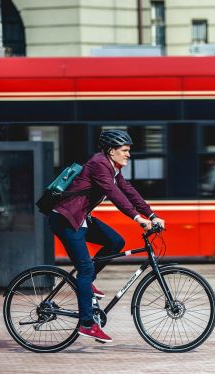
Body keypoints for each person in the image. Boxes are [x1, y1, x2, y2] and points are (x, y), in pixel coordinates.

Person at [49, 130, 165, 343]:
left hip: (80, 217)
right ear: (112, 151)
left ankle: (87, 280)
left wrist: (151, 214)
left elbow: (128, 191)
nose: (128, 155)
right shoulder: (99, 164)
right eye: (125, 151)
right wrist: (137, 218)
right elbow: (114, 194)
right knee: (85, 269)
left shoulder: (112, 168)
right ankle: (87, 324)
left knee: (115, 242)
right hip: (66, 219)